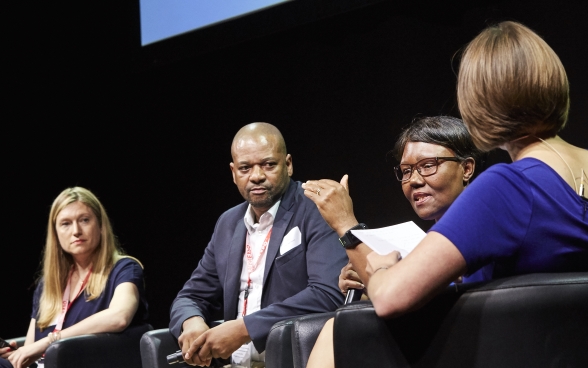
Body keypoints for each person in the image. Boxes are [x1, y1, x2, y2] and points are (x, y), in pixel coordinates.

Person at [304, 21, 588, 368]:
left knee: (339, 329)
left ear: (477, 106)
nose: (415, 179)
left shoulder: (508, 186)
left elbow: (392, 297)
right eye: (406, 171)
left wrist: (378, 270)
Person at [169, 122, 347, 366]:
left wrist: (244, 329)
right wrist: (192, 322)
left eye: (268, 165)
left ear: (288, 164)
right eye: (245, 168)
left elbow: (328, 294)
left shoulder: (314, 209)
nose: (256, 176)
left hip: (292, 359)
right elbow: (190, 295)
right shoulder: (228, 223)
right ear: (233, 172)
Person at [0, 187, 148, 368]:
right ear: (56, 234)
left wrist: (51, 341)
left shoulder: (124, 268)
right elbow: (32, 347)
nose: (76, 230)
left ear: (101, 226)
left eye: (84, 220)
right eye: (66, 224)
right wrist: (16, 355)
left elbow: (119, 317)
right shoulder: (48, 284)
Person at [338, 115, 483, 297]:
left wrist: (343, 222)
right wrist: (366, 289)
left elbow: (397, 299)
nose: (413, 180)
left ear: (467, 168)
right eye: (406, 171)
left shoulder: (481, 226)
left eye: (428, 165)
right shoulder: (429, 242)